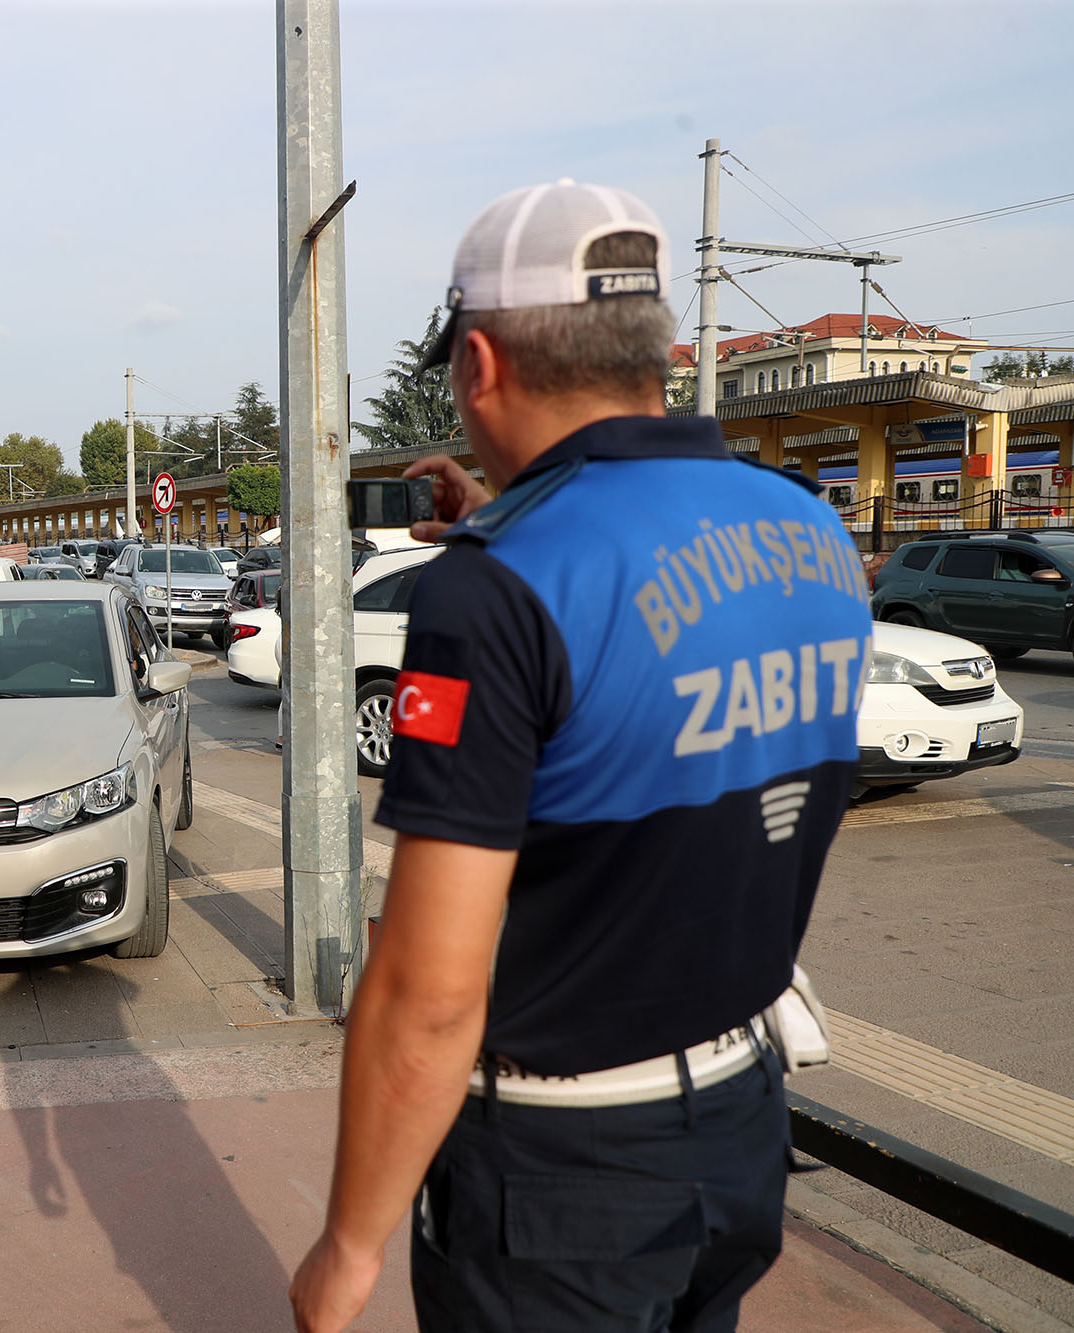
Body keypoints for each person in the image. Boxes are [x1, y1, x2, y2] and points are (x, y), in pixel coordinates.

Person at [290, 180, 871, 1333]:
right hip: (740, 1122)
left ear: (481, 364)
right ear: (656, 347)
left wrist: (348, 1246)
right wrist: (512, 521)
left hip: (562, 1176)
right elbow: (640, 620)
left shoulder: (492, 592)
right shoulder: (808, 529)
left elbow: (427, 986)